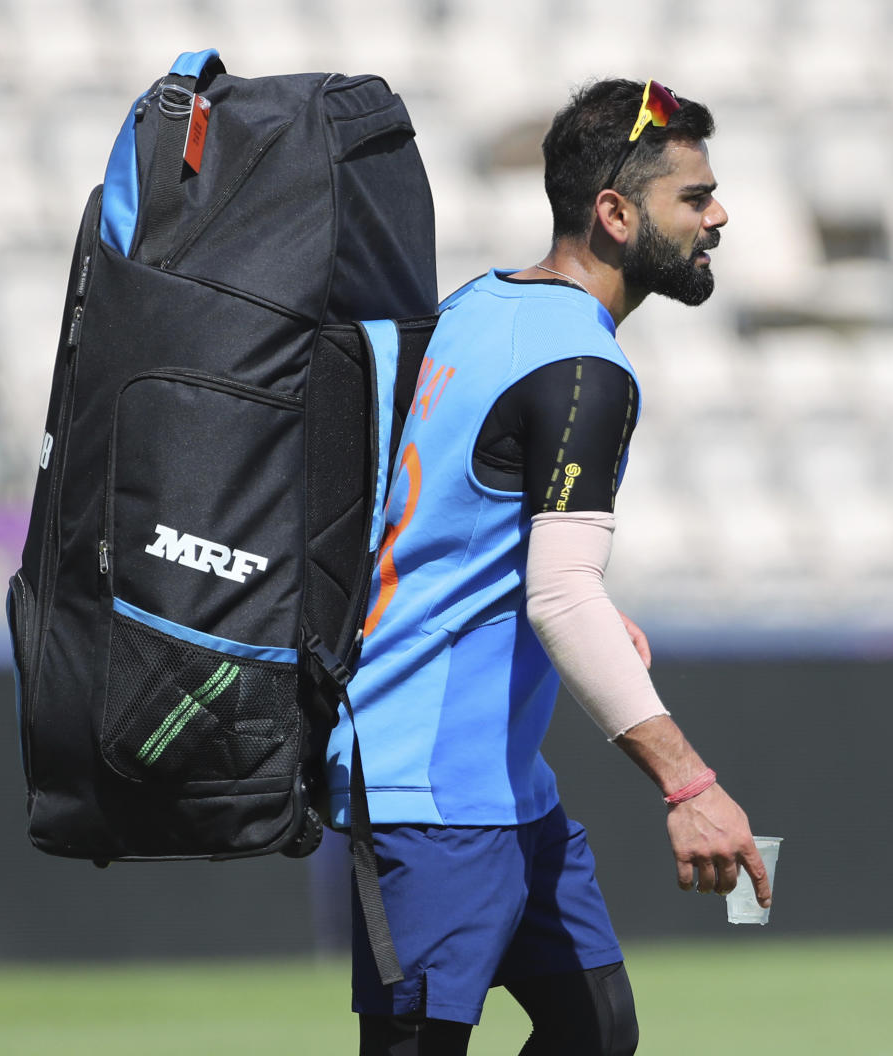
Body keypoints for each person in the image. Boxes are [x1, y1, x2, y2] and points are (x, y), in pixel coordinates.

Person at [326, 77, 772, 1056]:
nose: (717, 214)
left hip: (503, 788)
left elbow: (451, 519)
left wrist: (590, 614)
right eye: (693, 198)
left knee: (594, 1032)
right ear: (615, 214)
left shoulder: (479, 307)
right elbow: (559, 594)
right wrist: (691, 787)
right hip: (429, 789)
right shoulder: (583, 368)